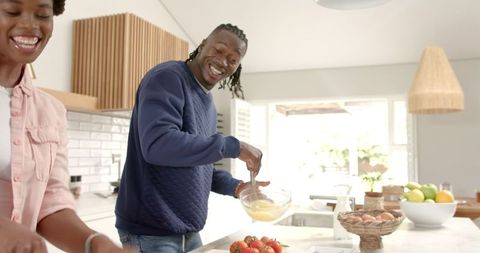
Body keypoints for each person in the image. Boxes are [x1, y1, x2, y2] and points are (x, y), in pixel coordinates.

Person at [115, 23, 267, 253]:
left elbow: (198, 166)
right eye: (219, 50)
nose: (223, 62)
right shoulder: (167, 78)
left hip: (187, 232)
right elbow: (158, 145)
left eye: (233, 60)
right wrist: (233, 146)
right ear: (203, 44)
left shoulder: (207, 102)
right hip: (150, 232)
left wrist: (237, 188)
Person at [0, 0, 136, 252]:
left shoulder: (51, 112)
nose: (30, 25)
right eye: (12, 11)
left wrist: (93, 243)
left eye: (42, 14)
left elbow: (50, 203)